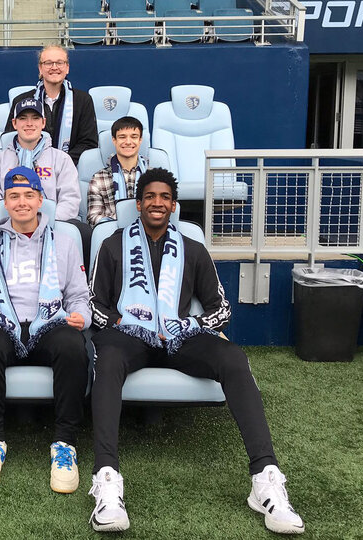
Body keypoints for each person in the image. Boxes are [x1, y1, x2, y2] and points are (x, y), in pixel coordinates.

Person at [87, 168, 305, 535]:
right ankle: (106, 480)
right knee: (106, 359)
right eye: (150, 197)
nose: (157, 203)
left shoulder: (192, 248)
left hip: (179, 336)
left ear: (174, 206)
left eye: (165, 198)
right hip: (129, 336)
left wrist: (190, 326)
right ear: (138, 203)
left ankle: (265, 479)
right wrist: (126, 324)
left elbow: (220, 309)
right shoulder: (113, 243)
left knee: (233, 357)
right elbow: (95, 304)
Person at [0, 167, 91, 493]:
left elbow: (78, 296)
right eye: (14, 196)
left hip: (49, 320)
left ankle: (64, 443)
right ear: (5, 202)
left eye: (28, 195)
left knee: (73, 346)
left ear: (40, 199)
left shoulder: (64, 243)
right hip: (4, 321)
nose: (22, 202)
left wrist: (81, 316)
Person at [0, 98, 80, 222]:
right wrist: (16, 224)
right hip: (8, 227)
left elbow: (70, 200)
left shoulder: (61, 159)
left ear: (43, 122)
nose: (29, 123)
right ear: (14, 123)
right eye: (23, 118)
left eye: (35, 118)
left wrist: (42, 224)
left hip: (51, 226)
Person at [4, 45, 98, 165]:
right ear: (40, 68)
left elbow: (88, 143)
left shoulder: (83, 101)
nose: (54, 67)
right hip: (28, 167)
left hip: (70, 168)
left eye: (59, 62)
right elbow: (11, 138)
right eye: (48, 63)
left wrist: (60, 163)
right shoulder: (21, 101)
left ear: (67, 67)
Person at [87, 116, 147, 227]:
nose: (128, 142)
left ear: (140, 140)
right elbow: (93, 217)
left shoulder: (153, 176)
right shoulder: (99, 177)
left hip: (149, 232)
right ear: (114, 140)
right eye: (122, 137)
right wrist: (120, 224)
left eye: (134, 137)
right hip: (112, 234)